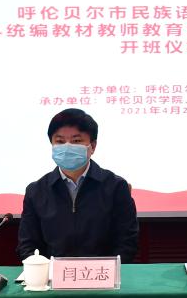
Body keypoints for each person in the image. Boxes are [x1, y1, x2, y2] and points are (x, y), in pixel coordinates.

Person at [17, 108, 139, 262]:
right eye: (60, 141)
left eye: (76, 141)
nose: (67, 146)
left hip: (103, 273)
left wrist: (108, 269)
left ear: (92, 146)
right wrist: (42, 269)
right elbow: (27, 244)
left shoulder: (115, 187)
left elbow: (127, 241)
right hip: (52, 274)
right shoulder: (36, 191)